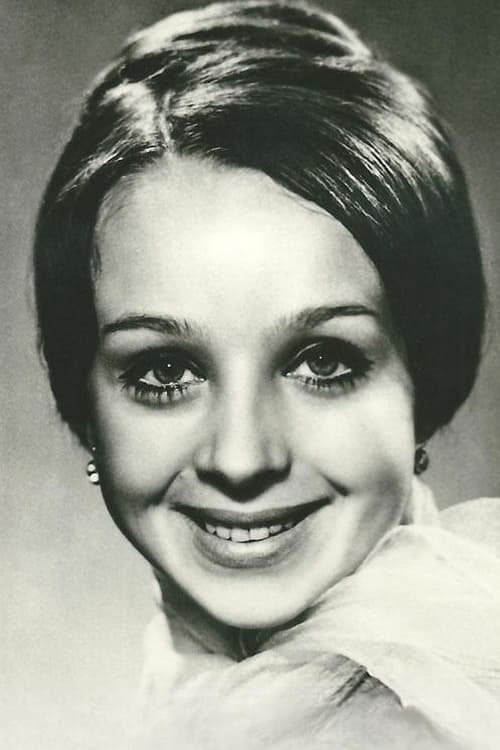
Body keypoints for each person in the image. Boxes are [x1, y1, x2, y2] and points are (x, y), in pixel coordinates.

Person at [34, 1, 500, 747]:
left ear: (426, 380)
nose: (243, 458)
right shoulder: (219, 688)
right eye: (165, 371)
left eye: (323, 361)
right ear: (84, 403)